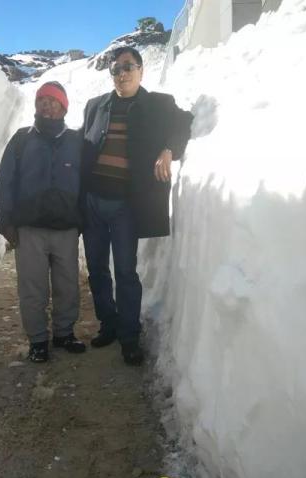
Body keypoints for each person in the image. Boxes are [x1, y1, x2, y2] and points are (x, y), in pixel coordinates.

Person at [81, 46, 193, 365]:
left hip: (125, 206)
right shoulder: (95, 106)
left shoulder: (159, 104)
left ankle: (129, 335)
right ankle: (109, 324)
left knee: (125, 272)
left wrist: (169, 150)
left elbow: (185, 122)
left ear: (141, 70)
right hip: (93, 202)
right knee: (97, 269)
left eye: (128, 67)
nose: (122, 74)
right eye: (116, 69)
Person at [0, 81, 85, 363]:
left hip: (65, 228)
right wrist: (7, 219)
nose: (46, 105)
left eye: (53, 100)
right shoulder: (22, 140)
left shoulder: (77, 141)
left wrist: (82, 219)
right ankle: (37, 340)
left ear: (64, 107)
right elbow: (6, 181)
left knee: (67, 285)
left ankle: (64, 333)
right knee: (32, 287)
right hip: (29, 229)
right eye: (41, 100)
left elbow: (87, 183)